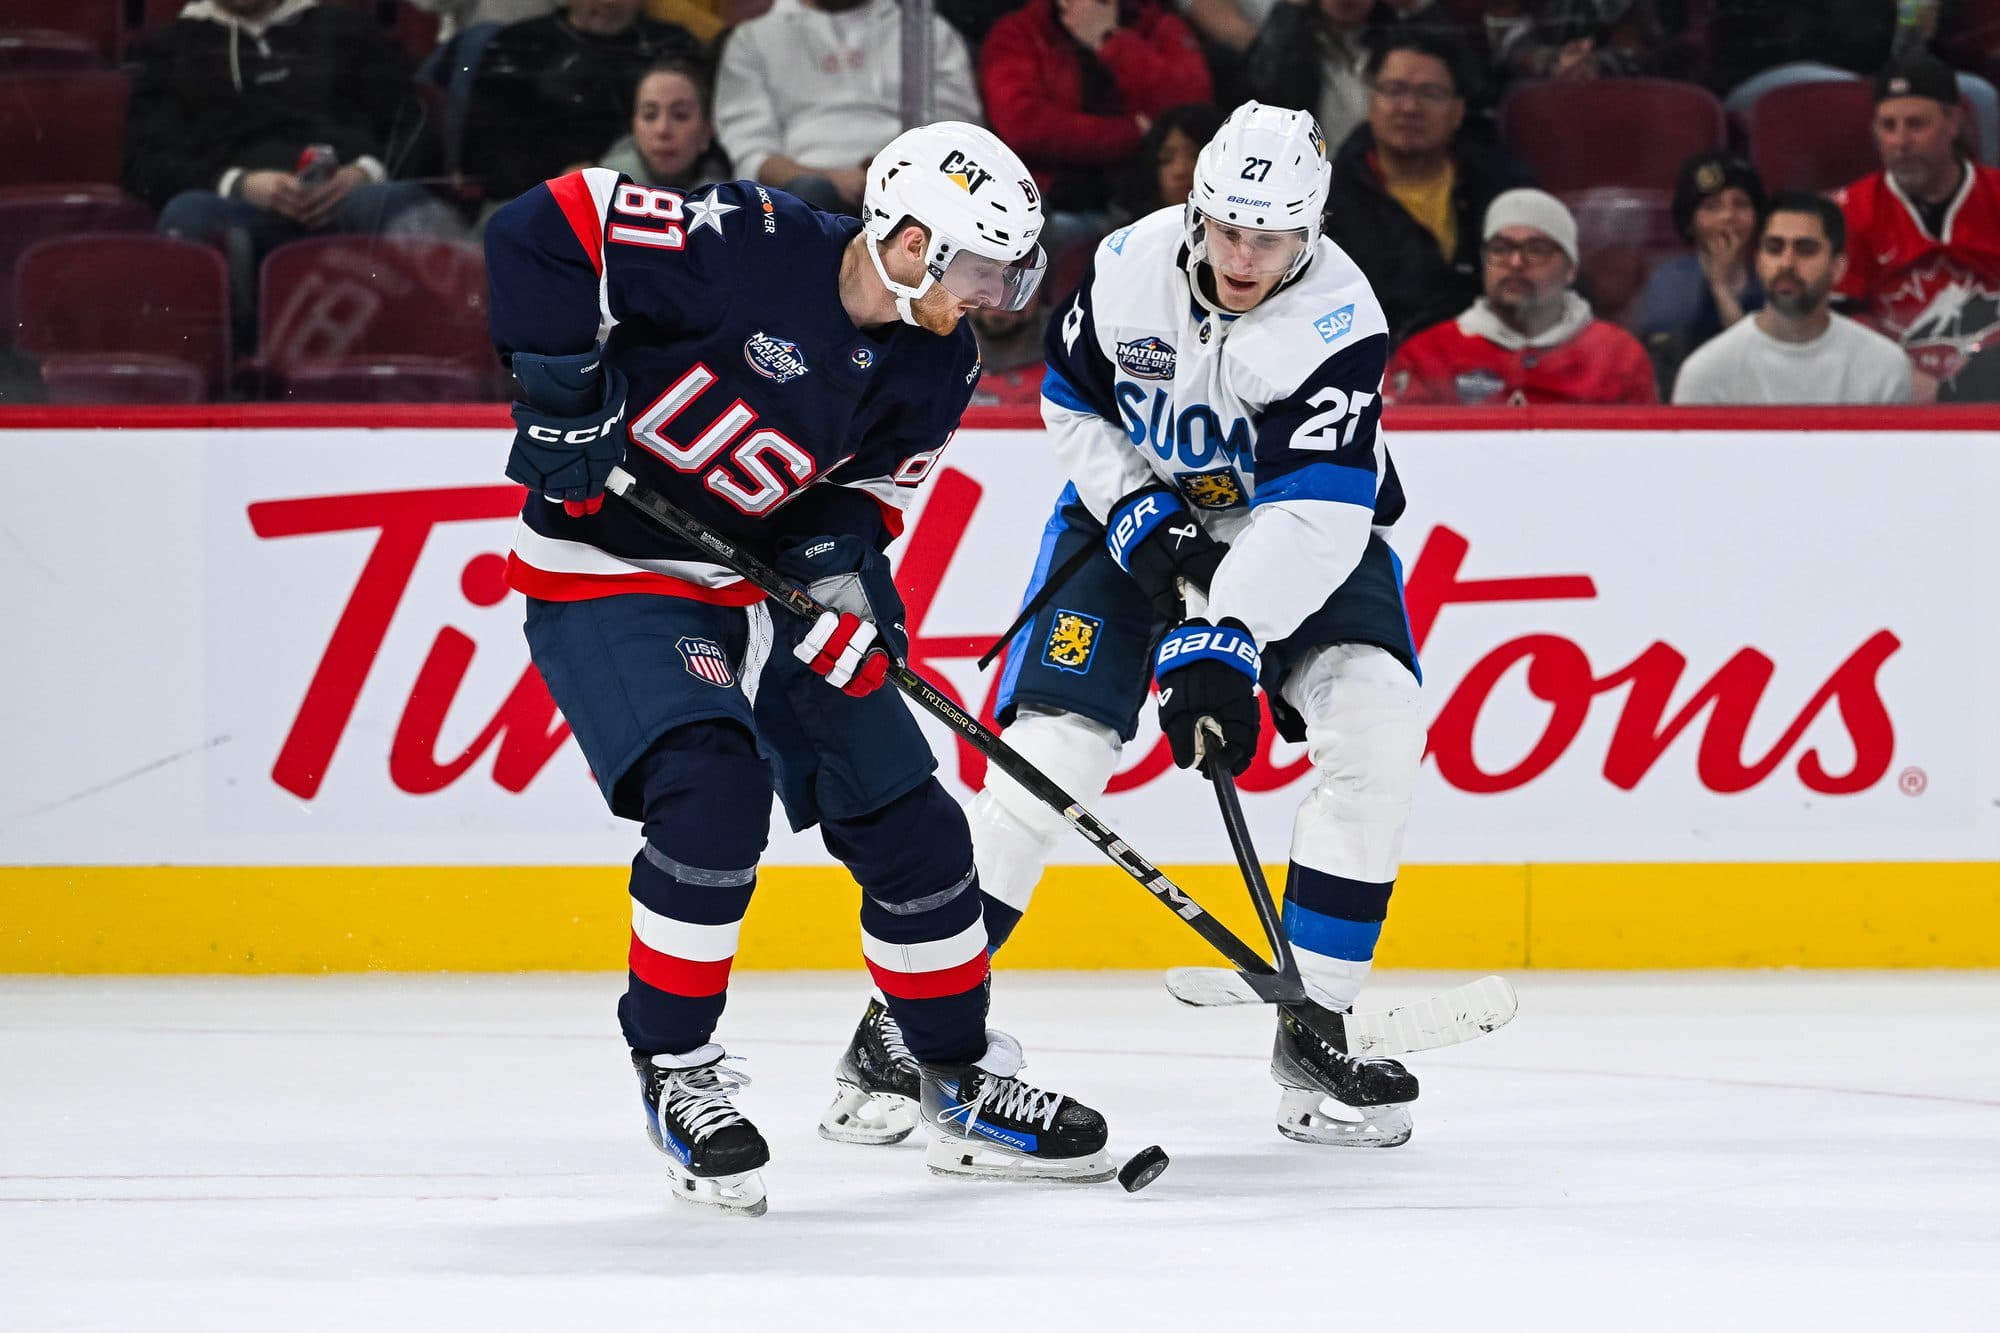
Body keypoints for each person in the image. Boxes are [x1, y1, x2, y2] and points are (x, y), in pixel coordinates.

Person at [484, 122, 1112, 1215]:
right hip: (611, 563)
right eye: (973, 268)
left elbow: (862, 500)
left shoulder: (937, 360)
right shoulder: (747, 238)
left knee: (910, 820)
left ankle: (956, 1083)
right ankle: (675, 1069)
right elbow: (541, 226)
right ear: (908, 241)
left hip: (764, 581)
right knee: (710, 793)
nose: (986, 297)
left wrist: (840, 594)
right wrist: (560, 386)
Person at [817, 102, 1424, 1155]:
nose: (1241, 254)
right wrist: (1144, 520)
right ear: (1195, 207)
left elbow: (1320, 511)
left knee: (1374, 721)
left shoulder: (1341, 319)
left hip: (1287, 530)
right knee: (1048, 757)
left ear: (1310, 232)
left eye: (1269, 236)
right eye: (1226, 226)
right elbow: (1071, 400)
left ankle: (1314, 1019)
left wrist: (1225, 635)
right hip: (1129, 514)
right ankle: (896, 1033)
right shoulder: (1126, 263)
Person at [126, 0, 459, 262]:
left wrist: (365, 172)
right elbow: (147, 162)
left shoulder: (347, 28)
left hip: (354, 200)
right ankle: (230, 348)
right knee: (188, 213)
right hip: (237, 208)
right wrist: (238, 183)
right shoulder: (170, 48)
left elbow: (413, 123)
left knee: (406, 204)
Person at [1322, 30, 1531, 347]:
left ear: (1458, 110)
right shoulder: (1326, 198)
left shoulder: (1501, 186)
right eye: (1393, 90)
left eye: (1429, 93)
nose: (1409, 107)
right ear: (1370, 101)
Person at [1384, 188, 1657, 404]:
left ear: (1571, 268)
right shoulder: (1428, 353)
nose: (1515, 262)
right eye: (1500, 248)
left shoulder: (1618, 356)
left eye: (1536, 249)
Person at [714, 0, 982, 217]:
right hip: (800, 195)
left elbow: (958, 136)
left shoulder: (928, 32)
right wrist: (831, 180)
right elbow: (752, 155)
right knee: (809, 198)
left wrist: (892, 171)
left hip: (910, 185)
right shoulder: (752, 39)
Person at [1836, 54, 2000, 384]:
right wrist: (1901, 379)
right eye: (1888, 126)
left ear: (1953, 123)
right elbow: (1837, 324)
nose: (1900, 142)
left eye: (1916, 124)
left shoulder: (1995, 196)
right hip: (1892, 395)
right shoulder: (1852, 209)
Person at [979, 0, 1214, 221]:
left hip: (1150, 201)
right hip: (1053, 204)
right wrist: (1134, 134)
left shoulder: (1158, 25)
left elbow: (1191, 114)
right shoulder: (1020, 32)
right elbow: (1023, 127)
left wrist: (1110, 40)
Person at [1672, 193, 1913, 405]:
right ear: (1758, 261)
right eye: (1774, 248)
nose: (1787, 263)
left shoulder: (1885, 367)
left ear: (1838, 268)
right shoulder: (1705, 373)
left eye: (1805, 249)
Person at [461, 0, 702, 204]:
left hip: (650, 196)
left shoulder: (674, 47)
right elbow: (483, 150)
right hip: (534, 198)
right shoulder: (517, 46)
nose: (609, 2)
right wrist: (556, 179)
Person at [1633, 151, 1766, 396]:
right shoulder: (1670, 281)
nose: (1728, 216)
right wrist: (1717, 285)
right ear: (1690, 221)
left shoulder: (1771, 280)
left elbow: (1762, 364)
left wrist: (1722, 289)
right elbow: (1669, 365)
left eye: (1741, 204)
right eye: (1712, 207)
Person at [597, 55, 732, 188]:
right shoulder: (600, 192)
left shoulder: (732, 198)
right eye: (650, 115)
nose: (662, 129)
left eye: (680, 115)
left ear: (706, 131)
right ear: (634, 127)